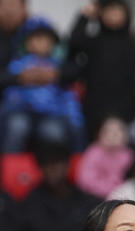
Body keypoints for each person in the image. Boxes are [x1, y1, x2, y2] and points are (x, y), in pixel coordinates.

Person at [0, 16, 84, 153]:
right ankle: (9, 166)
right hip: (21, 112)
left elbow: (68, 97)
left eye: (45, 40)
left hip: (51, 115)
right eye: (36, 39)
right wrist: (22, 80)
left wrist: (54, 76)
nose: (41, 44)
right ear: (27, 43)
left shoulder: (58, 66)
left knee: (54, 132)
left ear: (53, 44)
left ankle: (51, 169)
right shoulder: (18, 65)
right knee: (17, 126)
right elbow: (9, 92)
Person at [67, 0, 135, 138]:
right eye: (109, 11)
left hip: (126, 104)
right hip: (96, 104)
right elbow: (74, 42)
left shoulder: (133, 42)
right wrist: (85, 16)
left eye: (118, 11)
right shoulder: (94, 41)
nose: (114, 15)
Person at [75, 115, 135, 198]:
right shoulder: (93, 152)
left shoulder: (129, 155)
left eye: (118, 130)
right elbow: (85, 181)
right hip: (95, 197)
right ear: (99, 134)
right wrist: (111, 190)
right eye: (108, 131)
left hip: (123, 196)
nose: (113, 135)